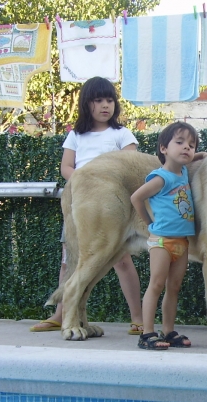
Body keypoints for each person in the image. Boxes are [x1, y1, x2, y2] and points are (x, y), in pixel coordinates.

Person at [30, 76, 144, 335]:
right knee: (70, 259)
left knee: (120, 259)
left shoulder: (122, 133)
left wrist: (100, 185)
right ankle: (62, 315)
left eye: (110, 100)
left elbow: (131, 167)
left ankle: (137, 317)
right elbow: (66, 167)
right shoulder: (76, 135)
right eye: (98, 100)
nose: (105, 105)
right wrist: (86, 183)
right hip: (82, 202)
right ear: (86, 104)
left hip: (115, 204)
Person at [130, 122, 200, 350]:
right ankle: (147, 333)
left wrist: (200, 154)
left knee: (174, 286)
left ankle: (168, 330)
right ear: (163, 148)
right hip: (162, 241)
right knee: (157, 284)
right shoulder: (160, 178)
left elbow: (189, 156)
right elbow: (136, 198)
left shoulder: (184, 172)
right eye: (179, 143)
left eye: (191, 145)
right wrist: (149, 223)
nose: (186, 148)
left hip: (182, 242)